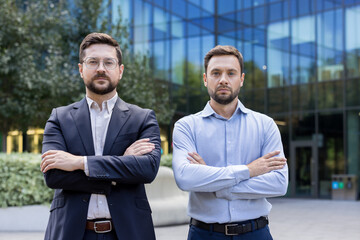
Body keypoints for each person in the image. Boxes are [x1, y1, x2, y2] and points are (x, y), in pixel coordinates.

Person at [40, 32, 161, 240]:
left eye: (109, 62)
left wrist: (79, 163)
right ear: (81, 69)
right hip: (71, 232)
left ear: (120, 70)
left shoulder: (143, 118)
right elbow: (53, 175)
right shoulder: (59, 117)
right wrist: (122, 166)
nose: (101, 68)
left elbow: (147, 170)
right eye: (93, 61)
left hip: (127, 233)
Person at [172, 45, 288, 240]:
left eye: (231, 73)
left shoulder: (265, 125)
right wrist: (249, 170)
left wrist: (212, 181)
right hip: (204, 234)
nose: (223, 79)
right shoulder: (186, 126)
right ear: (205, 79)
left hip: (256, 233)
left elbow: (279, 183)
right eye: (216, 73)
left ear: (241, 79)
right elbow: (185, 178)